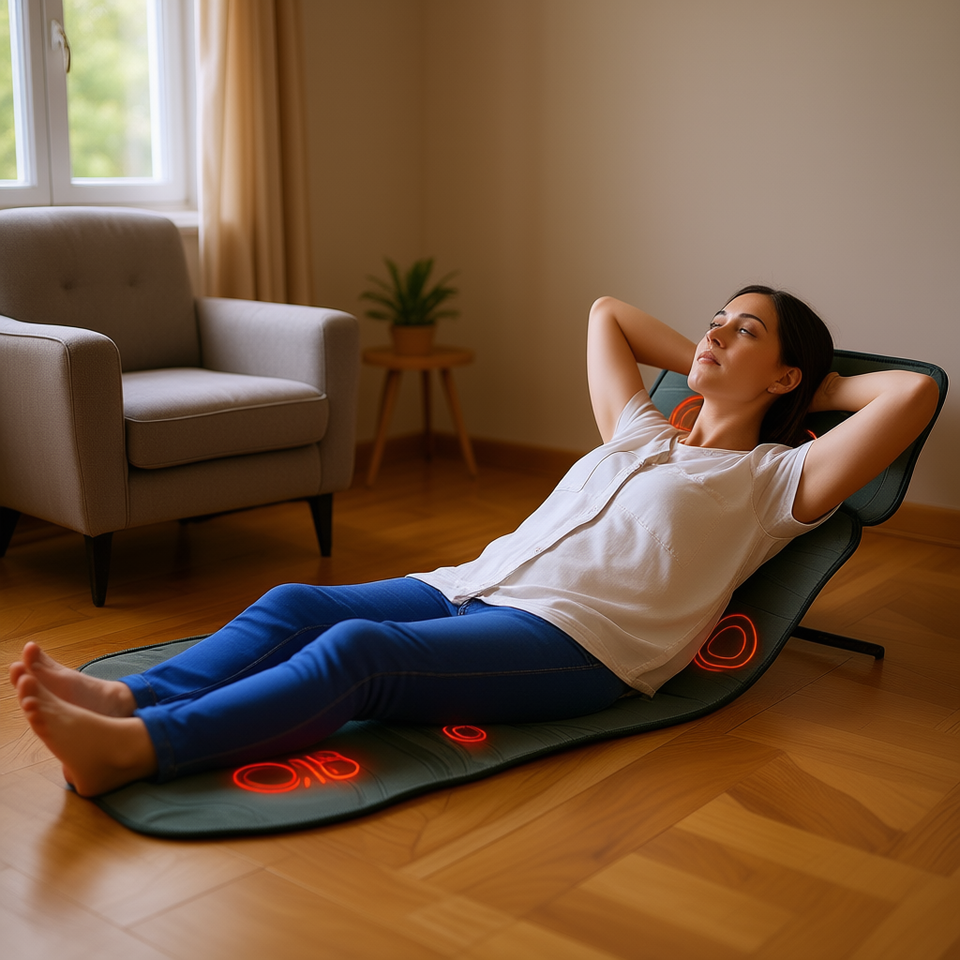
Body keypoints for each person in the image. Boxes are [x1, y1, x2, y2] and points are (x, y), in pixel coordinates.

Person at [11, 286, 939, 798]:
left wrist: (816, 387)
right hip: (475, 583)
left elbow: (914, 392)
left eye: (745, 332)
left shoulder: (778, 480)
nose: (715, 334)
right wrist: (723, 359)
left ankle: (139, 750)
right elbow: (606, 312)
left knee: (360, 653)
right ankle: (129, 697)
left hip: (580, 642)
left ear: (785, 376)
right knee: (296, 603)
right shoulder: (639, 432)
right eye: (713, 321)